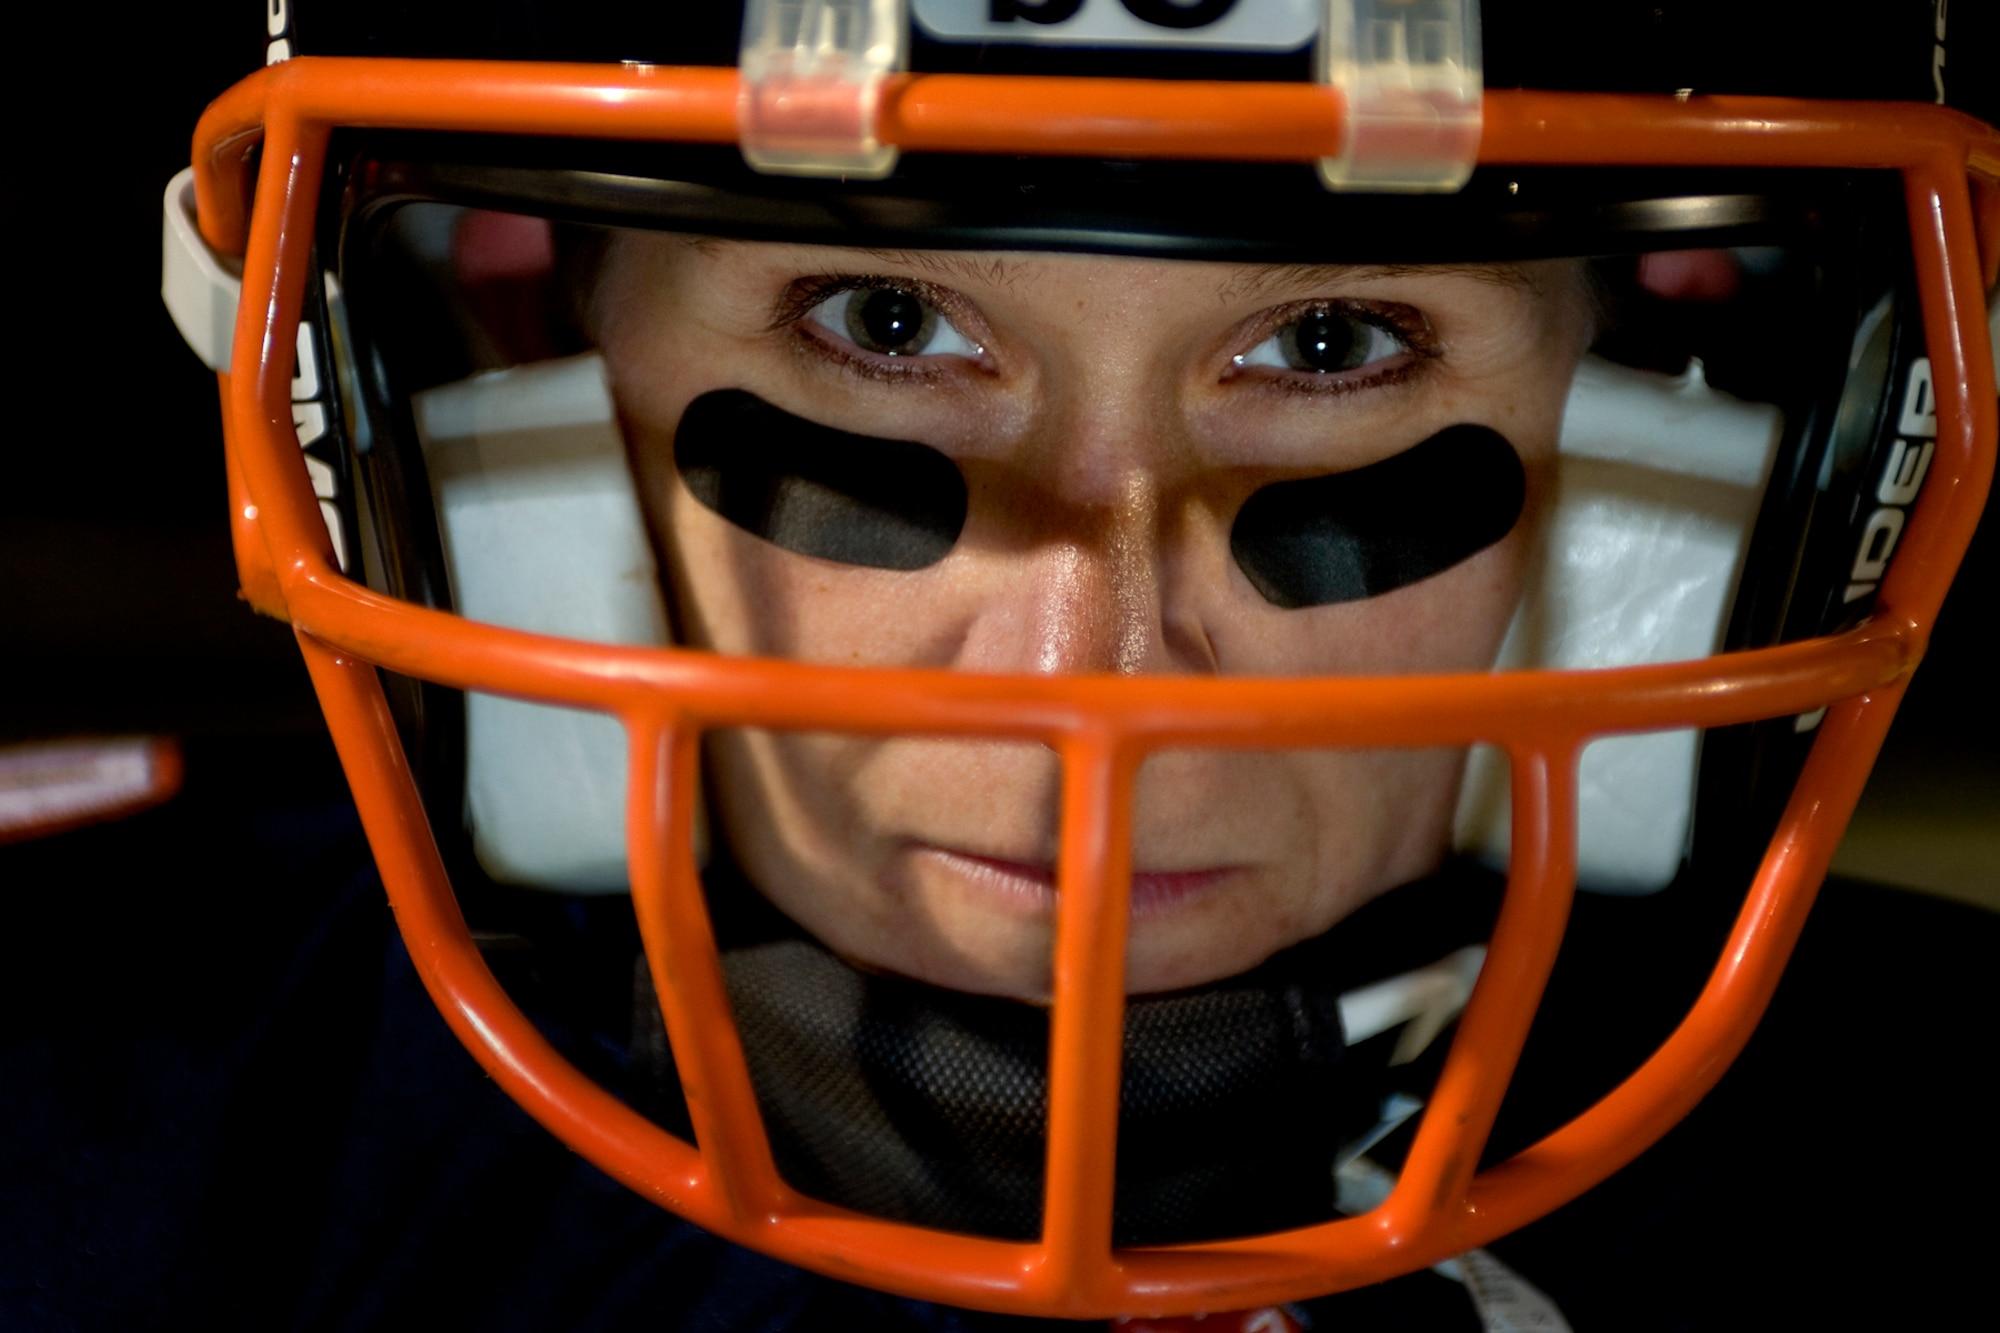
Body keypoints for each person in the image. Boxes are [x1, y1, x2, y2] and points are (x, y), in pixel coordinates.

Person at [117, 0, 2000, 1327]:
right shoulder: (100, 1149)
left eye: (1332, 342)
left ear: (1656, 439)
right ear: (523, 354)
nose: (1088, 660)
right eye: (887, 319)